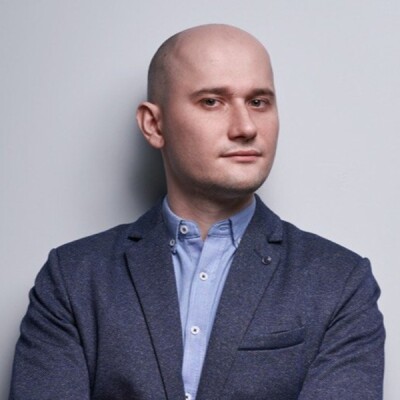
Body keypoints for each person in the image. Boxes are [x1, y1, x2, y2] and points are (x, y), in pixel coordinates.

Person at [9, 24, 384, 400]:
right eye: (212, 102)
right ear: (154, 125)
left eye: (258, 102)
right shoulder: (73, 277)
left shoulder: (340, 282)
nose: (246, 127)